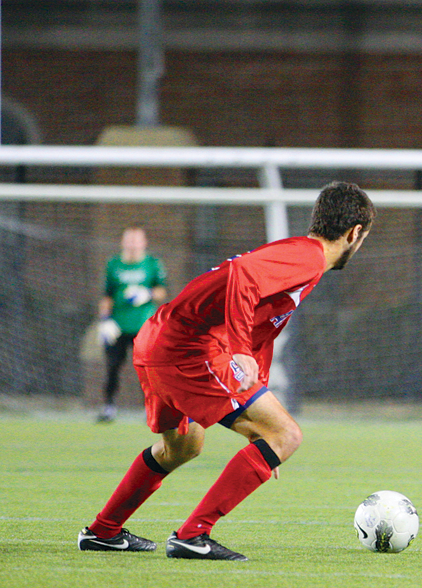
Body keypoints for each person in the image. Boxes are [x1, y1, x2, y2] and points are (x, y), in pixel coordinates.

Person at [78, 181, 375, 561]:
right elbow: (244, 276)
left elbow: (260, 330)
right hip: (188, 347)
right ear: (354, 234)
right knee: (287, 435)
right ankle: (192, 535)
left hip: (159, 338)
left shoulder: (300, 255)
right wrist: (238, 353)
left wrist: (262, 417)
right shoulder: (309, 257)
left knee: (183, 446)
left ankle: (103, 531)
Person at [96, 227, 167, 423]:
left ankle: (151, 408)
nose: (133, 244)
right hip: (117, 327)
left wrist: (148, 294)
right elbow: (107, 295)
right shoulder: (113, 264)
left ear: (144, 242)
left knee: (147, 371)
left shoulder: (153, 264)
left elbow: (162, 291)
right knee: (112, 368)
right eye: (129, 240)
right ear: (123, 242)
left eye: (136, 240)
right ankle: (109, 406)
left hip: (143, 328)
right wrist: (104, 320)